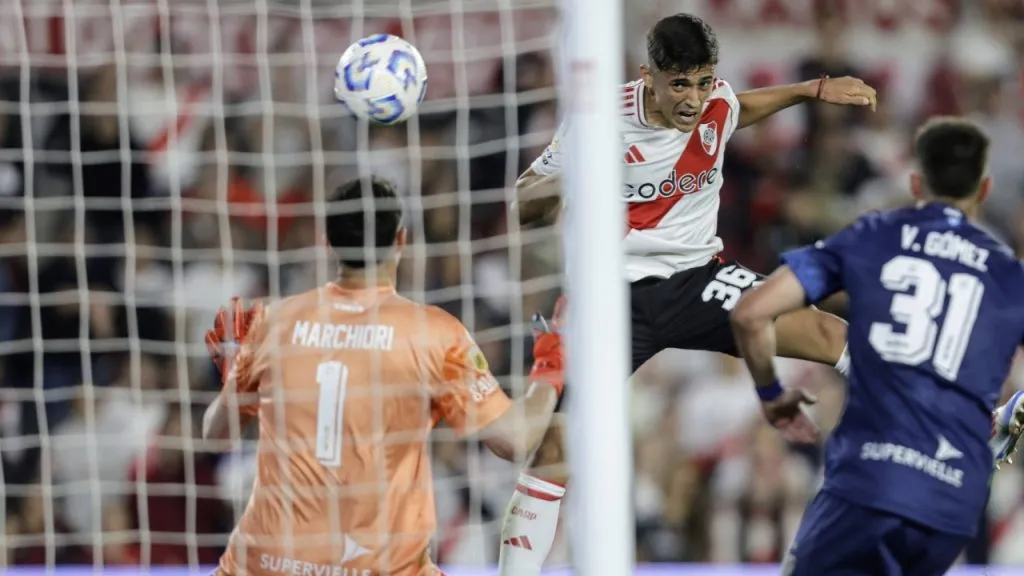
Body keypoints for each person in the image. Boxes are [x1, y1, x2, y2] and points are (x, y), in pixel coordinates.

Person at [499, 12, 877, 574]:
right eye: (680, 84)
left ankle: (953, 420)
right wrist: (580, 173)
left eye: (704, 81)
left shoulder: (715, 103)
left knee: (827, 332)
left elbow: (735, 109)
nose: (695, 99)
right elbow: (522, 202)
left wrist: (810, 90)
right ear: (649, 76)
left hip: (700, 280)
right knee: (553, 450)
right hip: (612, 300)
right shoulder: (600, 122)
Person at [201, 177, 566, 576]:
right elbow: (515, 441)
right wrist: (551, 363)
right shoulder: (432, 333)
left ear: (328, 241)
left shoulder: (274, 322)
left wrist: (235, 379)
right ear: (401, 240)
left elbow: (216, 436)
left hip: (265, 565)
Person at [729, 116, 1024, 575]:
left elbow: (750, 313)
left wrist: (771, 395)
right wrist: (1014, 410)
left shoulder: (874, 236)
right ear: (983, 191)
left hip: (871, 481)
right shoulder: (1008, 277)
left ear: (915, 182)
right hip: (951, 502)